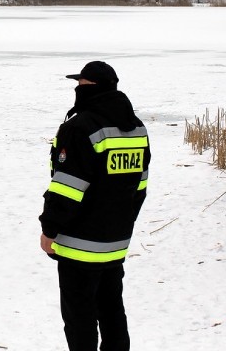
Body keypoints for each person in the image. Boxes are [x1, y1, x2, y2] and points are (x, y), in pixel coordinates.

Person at [39, 60, 150, 351]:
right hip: (115, 242)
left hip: (79, 244)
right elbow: (139, 187)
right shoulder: (137, 128)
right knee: (112, 311)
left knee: (80, 318)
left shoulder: (80, 127)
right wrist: (122, 225)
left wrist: (49, 230)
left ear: (92, 88)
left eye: (82, 84)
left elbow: (67, 188)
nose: (77, 88)